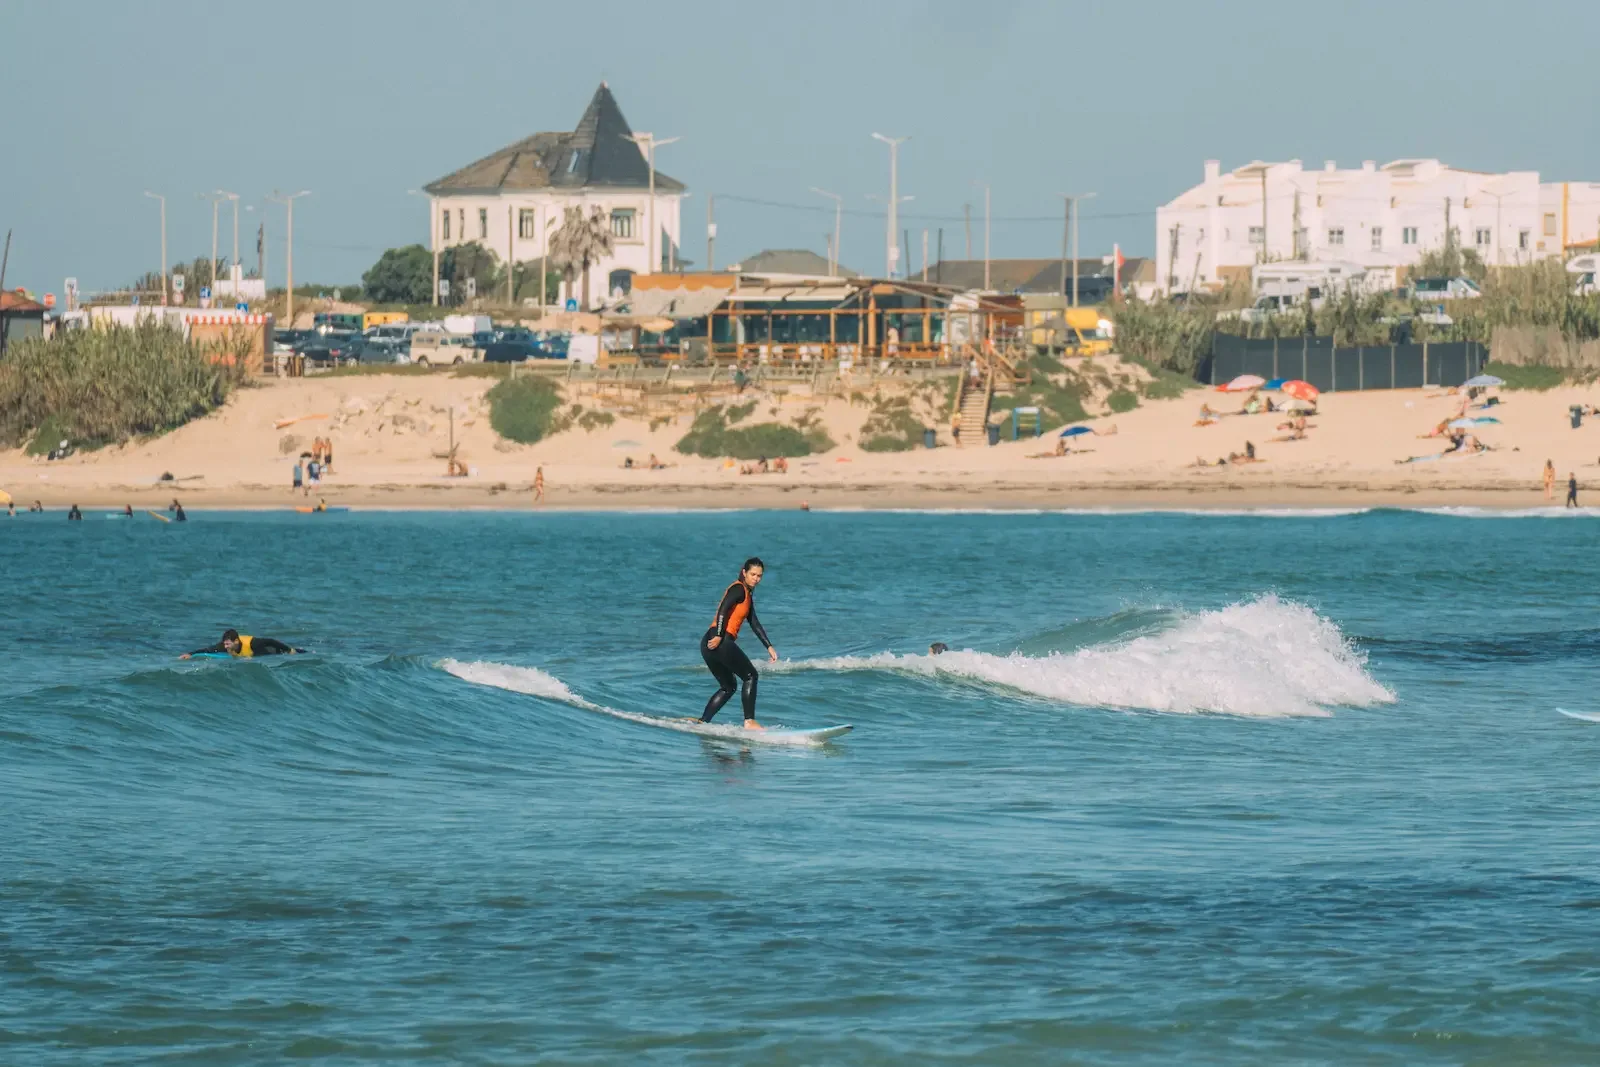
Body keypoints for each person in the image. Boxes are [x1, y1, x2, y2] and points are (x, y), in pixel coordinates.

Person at [698, 557, 777, 729]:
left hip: (708, 643)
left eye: (759, 576)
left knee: (728, 686)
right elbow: (723, 610)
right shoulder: (738, 588)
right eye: (753, 574)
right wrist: (719, 635)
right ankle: (749, 721)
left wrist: (769, 646)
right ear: (744, 572)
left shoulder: (747, 595)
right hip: (719, 640)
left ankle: (703, 722)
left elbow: (754, 623)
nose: (756, 579)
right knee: (751, 676)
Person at [180, 629, 305, 660]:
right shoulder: (224, 645)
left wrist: (289, 650)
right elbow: (207, 650)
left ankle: (300, 651)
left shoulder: (253, 643)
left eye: (228, 644)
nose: (225, 647)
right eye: (225, 644)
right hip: (254, 654)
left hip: (271, 650)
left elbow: (271, 641)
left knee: (299, 653)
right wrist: (190, 654)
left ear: (236, 641)